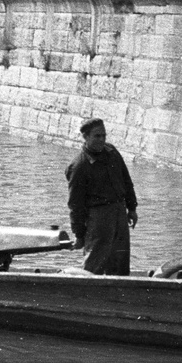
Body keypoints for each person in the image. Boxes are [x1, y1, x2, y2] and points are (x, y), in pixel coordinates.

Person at [66, 118, 138, 275]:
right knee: (95, 261)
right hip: (99, 219)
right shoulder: (79, 166)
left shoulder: (112, 152)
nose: (101, 140)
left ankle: (118, 294)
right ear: (85, 137)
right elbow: (75, 205)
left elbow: (126, 181)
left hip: (119, 213)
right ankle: (86, 292)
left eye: (103, 136)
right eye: (96, 136)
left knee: (120, 261)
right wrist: (79, 234)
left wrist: (131, 208)